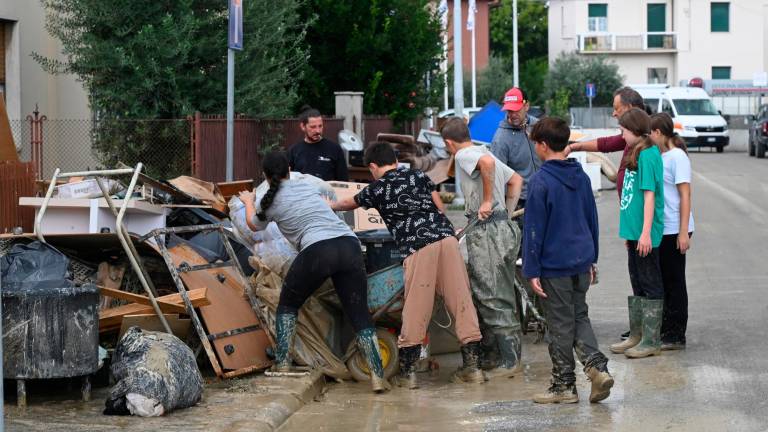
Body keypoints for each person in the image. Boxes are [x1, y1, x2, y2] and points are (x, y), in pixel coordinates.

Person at [331, 142, 485, 389]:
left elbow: (349, 203)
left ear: (373, 166)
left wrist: (329, 205)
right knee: (461, 300)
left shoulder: (378, 187)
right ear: (394, 160)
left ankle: (408, 373)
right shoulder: (418, 176)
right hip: (447, 240)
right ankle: (473, 368)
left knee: (416, 306)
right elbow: (439, 206)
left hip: (418, 246)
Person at [238, 152, 387, 393]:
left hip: (319, 249)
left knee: (288, 303)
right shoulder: (306, 187)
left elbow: (253, 225)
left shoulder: (267, 198)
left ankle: (283, 363)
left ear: (264, 175)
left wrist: (247, 201)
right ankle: (378, 376)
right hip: (349, 246)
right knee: (359, 314)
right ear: (289, 168)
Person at [523, 117, 613, 404]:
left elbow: (534, 230)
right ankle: (598, 369)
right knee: (579, 315)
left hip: (555, 266)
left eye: (535, 143)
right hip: (581, 260)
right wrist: (592, 258)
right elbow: (592, 221)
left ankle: (564, 386)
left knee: (560, 324)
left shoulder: (540, 181)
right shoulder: (581, 176)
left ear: (543, 145)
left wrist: (531, 269)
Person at [440, 117, 525, 379]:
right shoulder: (482, 149)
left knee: (492, 297)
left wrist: (487, 201)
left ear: (448, 143)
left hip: (488, 233)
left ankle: (510, 362)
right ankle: (494, 355)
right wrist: (504, 214)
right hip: (499, 228)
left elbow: (487, 166)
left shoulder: (467, 154)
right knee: (496, 293)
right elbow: (516, 181)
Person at [566, 86, 645, 342]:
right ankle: (641, 328)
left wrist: (642, 228)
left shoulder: (645, 141)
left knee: (649, 276)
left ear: (631, 109)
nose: (613, 113)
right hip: (634, 221)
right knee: (638, 274)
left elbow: (651, 192)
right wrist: (576, 146)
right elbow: (606, 143)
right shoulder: (632, 136)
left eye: (617, 108)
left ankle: (653, 332)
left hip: (644, 224)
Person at [608, 108, 665, 359]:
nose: (621, 135)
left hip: (645, 233)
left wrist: (644, 234)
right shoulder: (635, 151)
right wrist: (632, 233)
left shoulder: (649, 155)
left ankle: (651, 340)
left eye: (623, 131)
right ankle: (637, 335)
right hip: (634, 232)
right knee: (637, 280)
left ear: (634, 130)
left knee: (650, 282)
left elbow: (650, 196)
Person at [650, 113, 694, 351]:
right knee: (664, 280)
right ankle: (666, 329)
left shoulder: (678, 157)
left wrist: (683, 231)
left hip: (675, 227)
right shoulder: (661, 155)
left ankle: (676, 334)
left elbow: (685, 194)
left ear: (658, 133)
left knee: (675, 281)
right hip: (662, 227)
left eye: (651, 133)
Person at [490, 87, 541, 209]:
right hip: (520, 201)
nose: (512, 115)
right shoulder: (500, 139)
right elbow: (497, 178)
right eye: (509, 111)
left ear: (526, 106)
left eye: (516, 110)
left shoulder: (538, 127)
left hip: (544, 195)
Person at [287, 106, 349, 181]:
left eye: (320, 126)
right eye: (313, 127)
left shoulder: (334, 149)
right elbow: (287, 180)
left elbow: (343, 181)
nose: (318, 131)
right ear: (303, 126)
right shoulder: (294, 151)